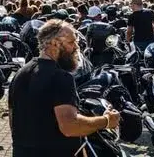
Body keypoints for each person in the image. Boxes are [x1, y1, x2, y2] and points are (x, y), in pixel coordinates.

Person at [8, 19, 119, 157]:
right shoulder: (61, 78)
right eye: (71, 42)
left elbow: (13, 120)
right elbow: (70, 126)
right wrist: (106, 121)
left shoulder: (21, 73)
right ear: (54, 43)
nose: (76, 47)